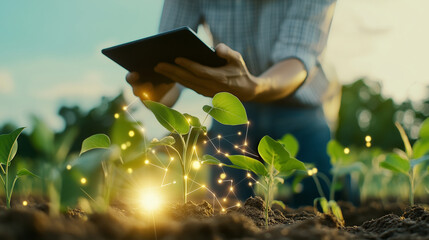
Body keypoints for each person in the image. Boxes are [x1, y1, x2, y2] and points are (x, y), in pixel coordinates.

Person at [126, 0, 357, 207]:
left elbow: (298, 58)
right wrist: (155, 96)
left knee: (319, 196)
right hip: (236, 107)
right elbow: (169, 65)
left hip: (301, 105)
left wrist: (254, 86)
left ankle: (345, 186)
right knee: (228, 203)